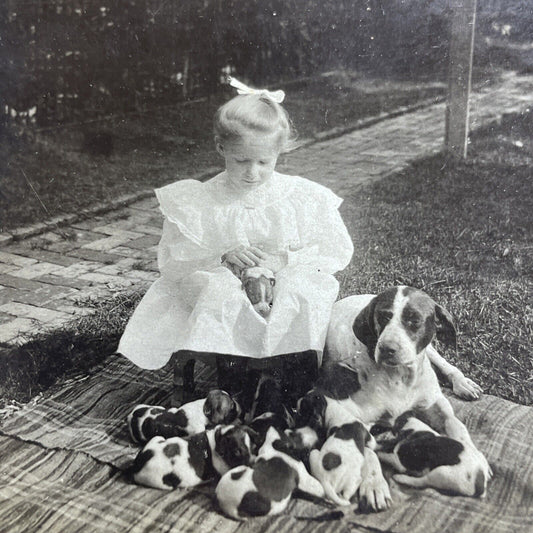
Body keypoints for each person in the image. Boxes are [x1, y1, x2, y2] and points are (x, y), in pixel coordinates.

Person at [117, 78, 354, 407]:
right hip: (221, 274)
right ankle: (233, 381)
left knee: (303, 292)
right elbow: (174, 262)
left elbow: (334, 249)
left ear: (278, 155)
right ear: (221, 148)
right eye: (242, 161)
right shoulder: (203, 199)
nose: (253, 173)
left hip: (282, 272)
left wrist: (282, 260)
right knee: (222, 295)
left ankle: (297, 382)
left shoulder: (299, 196)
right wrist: (221, 256)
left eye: (264, 162)